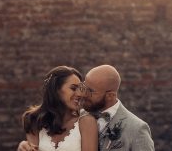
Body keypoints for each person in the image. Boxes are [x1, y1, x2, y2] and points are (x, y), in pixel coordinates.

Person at [18, 64, 155, 151]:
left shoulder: (136, 129)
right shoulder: (76, 115)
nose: (82, 94)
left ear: (110, 96)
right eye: (83, 87)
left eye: (90, 91)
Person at [21, 65, 98, 151]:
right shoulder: (34, 120)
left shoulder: (87, 122)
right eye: (73, 88)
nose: (80, 94)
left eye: (80, 89)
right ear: (56, 89)